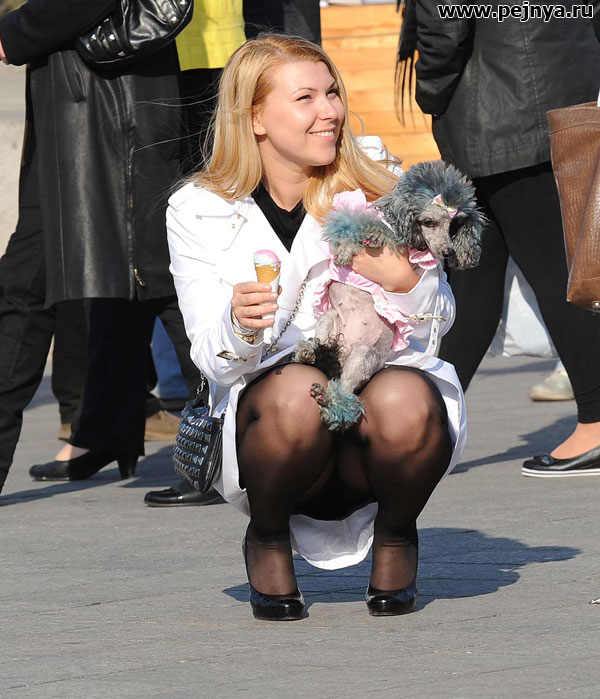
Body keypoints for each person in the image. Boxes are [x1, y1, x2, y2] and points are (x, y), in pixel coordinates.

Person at [166, 34, 466, 620]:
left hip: (372, 410)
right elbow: (211, 359)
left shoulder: (376, 176)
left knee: (407, 398)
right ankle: (267, 536)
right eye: (305, 98)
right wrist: (239, 324)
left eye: (332, 93)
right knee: (299, 393)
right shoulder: (198, 207)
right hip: (278, 434)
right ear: (255, 117)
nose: (330, 111)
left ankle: (397, 534)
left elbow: (436, 324)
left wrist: (405, 281)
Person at [0, 0, 202, 494]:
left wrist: (16, 30)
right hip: (79, 91)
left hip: (114, 94)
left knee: (161, 277)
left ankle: (228, 446)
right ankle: (117, 428)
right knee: (35, 283)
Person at [401, 0, 600, 478]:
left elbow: (445, 22)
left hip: (499, 108)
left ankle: (597, 423)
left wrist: (431, 90)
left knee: (555, 270)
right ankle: (423, 428)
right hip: (550, 87)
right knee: (473, 276)